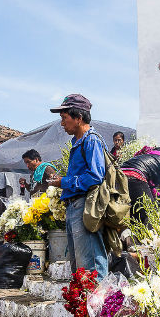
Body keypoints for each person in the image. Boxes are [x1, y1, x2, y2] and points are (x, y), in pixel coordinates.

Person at [42, 94, 110, 279]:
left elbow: (95, 176)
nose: (62, 124)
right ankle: (86, 304)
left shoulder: (91, 140)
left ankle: (99, 304)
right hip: (74, 206)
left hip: (85, 205)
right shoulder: (78, 142)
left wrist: (63, 182)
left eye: (65, 118)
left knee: (90, 264)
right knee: (79, 267)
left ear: (79, 118)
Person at [120, 142, 160, 221]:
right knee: (149, 212)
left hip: (121, 176)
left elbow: (149, 186)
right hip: (135, 175)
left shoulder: (149, 156)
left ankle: (135, 231)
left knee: (135, 212)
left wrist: (158, 197)